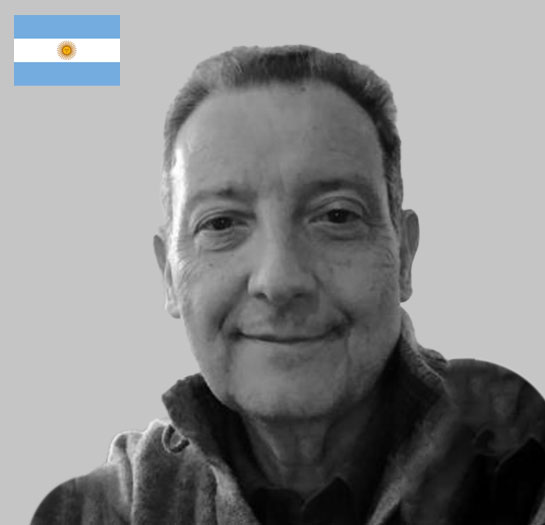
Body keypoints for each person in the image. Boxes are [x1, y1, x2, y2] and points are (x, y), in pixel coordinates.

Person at [31, 45, 545, 525]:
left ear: (405, 256)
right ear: (169, 275)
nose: (279, 280)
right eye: (221, 223)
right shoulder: (97, 511)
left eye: (337, 215)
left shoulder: (517, 453)